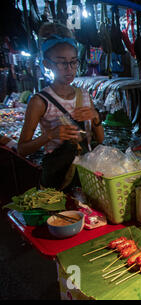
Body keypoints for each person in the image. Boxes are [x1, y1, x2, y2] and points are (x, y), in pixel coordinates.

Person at [17, 23, 104, 190]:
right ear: (47, 64)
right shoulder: (39, 101)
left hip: (86, 173)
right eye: (61, 63)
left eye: (73, 62)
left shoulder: (84, 95)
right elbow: (22, 149)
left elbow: (99, 140)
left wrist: (95, 117)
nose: (69, 69)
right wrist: (49, 135)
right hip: (56, 175)